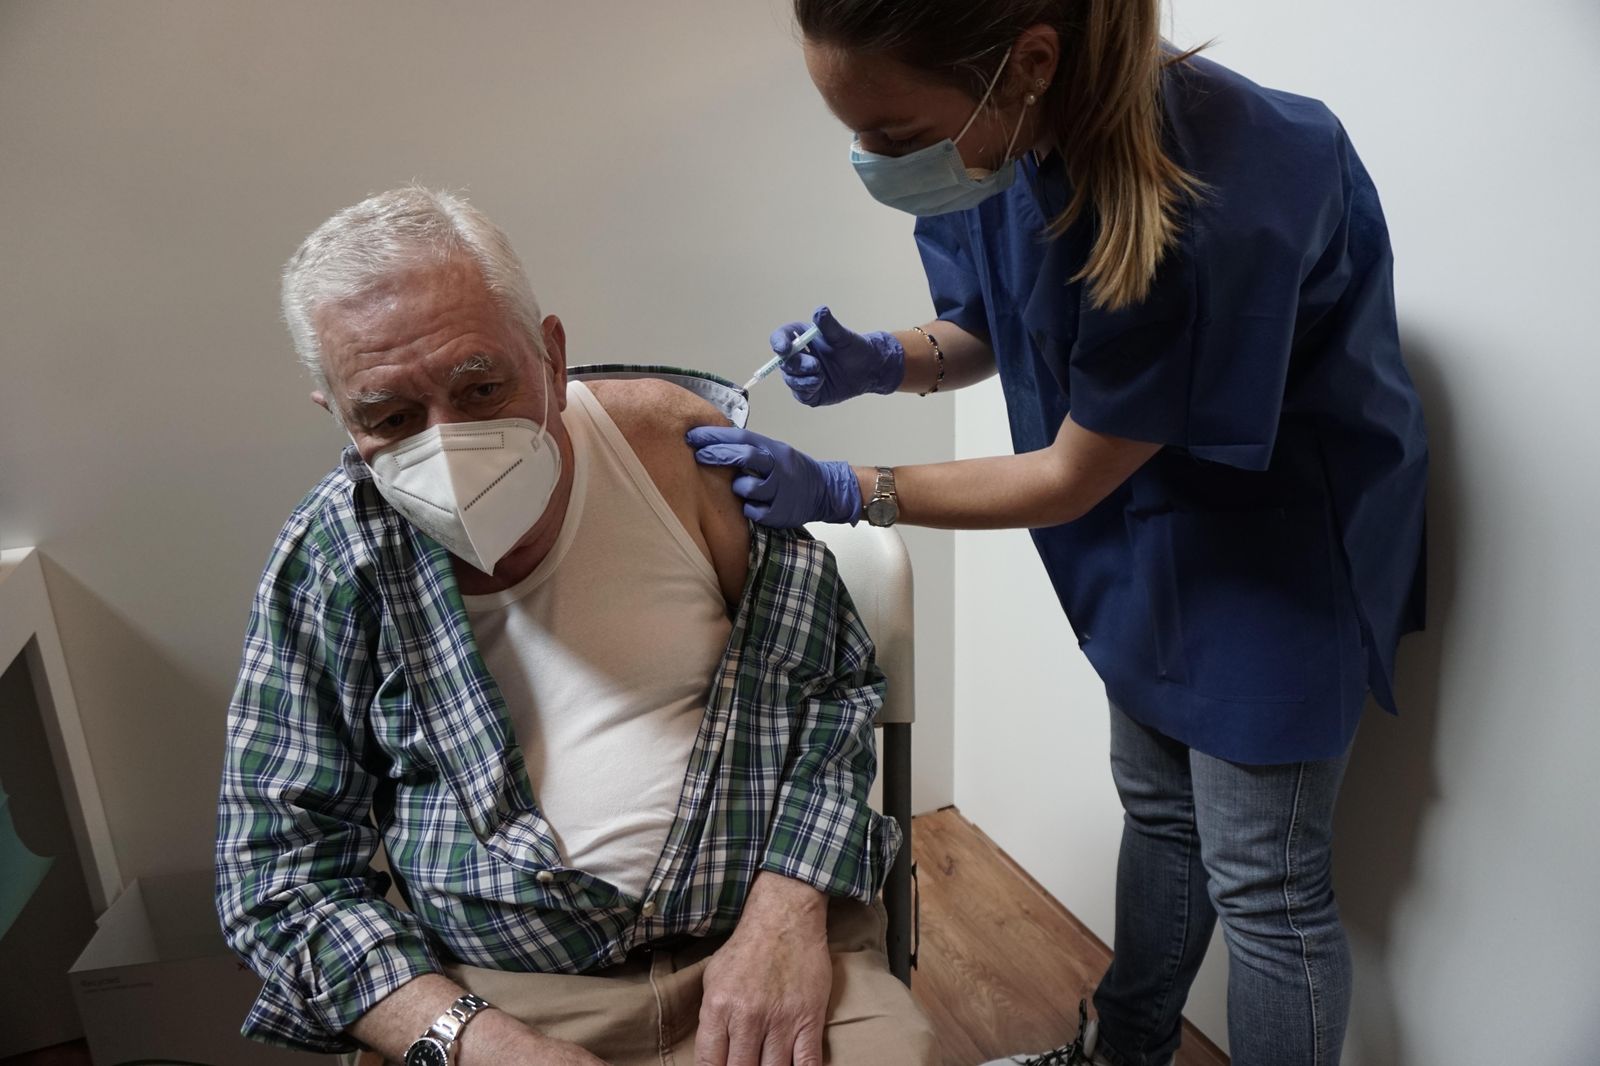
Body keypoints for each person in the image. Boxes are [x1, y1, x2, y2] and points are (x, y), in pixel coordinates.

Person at [686, 3, 1428, 1065]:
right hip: (1142, 535)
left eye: (894, 134)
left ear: (1028, 63)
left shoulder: (1226, 185)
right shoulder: (1001, 136)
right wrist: (883, 360)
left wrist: (847, 489)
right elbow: (989, 321)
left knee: (1265, 885)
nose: (874, 159)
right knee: (1159, 811)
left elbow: (1072, 474)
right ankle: (1122, 1050)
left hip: (1278, 547)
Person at [215, 187, 936, 1066]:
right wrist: (478, 1042)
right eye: (392, 418)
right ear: (338, 415)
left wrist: (787, 914)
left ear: (552, 357)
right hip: (496, 990)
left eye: (482, 387)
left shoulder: (675, 450)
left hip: (763, 939)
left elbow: (829, 687)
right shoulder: (334, 557)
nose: (449, 448)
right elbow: (279, 875)